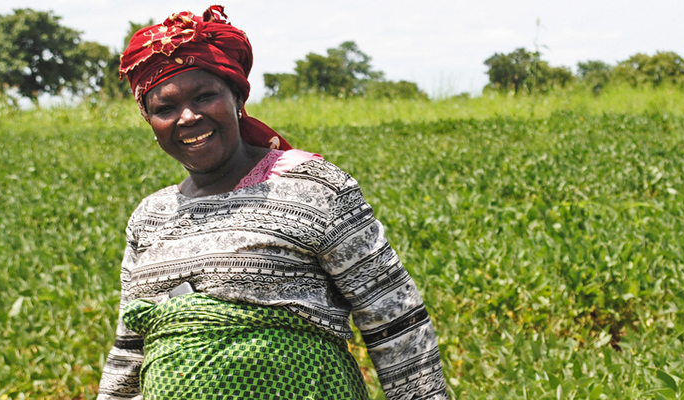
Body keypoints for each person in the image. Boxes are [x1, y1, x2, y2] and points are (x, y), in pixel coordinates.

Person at [97, 6, 449, 400]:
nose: (188, 116)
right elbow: (130, 352)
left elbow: (396, 320)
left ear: (237, 97)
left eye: (205, 96)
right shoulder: (150, 218)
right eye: (165, 108)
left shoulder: (313, 188)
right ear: (149, 119)